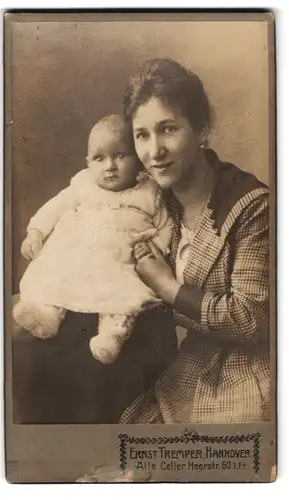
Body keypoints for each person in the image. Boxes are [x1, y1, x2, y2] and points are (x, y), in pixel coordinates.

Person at [119, 58, 270, 424]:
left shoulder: (253, 204)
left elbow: (252, 320)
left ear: (202, 129)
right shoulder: (152, 202)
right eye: (142, 134)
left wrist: (169, 289)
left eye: (168, 129)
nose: (154, 151)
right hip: (182, 368)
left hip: (248, 374)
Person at [13, 114, 173, 364]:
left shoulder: (150, 192)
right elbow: (54, 207)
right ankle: (47, 314)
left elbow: (166, 225)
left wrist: (157, 253)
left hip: (122, 260)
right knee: (54, 276)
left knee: (123, 296)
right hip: (77, 253)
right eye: (100, 158)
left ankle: (113, 335)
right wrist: (36, 232)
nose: (110, 165)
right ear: (88, 162)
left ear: (139, 160)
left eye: (120, 156)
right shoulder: (83, 184)